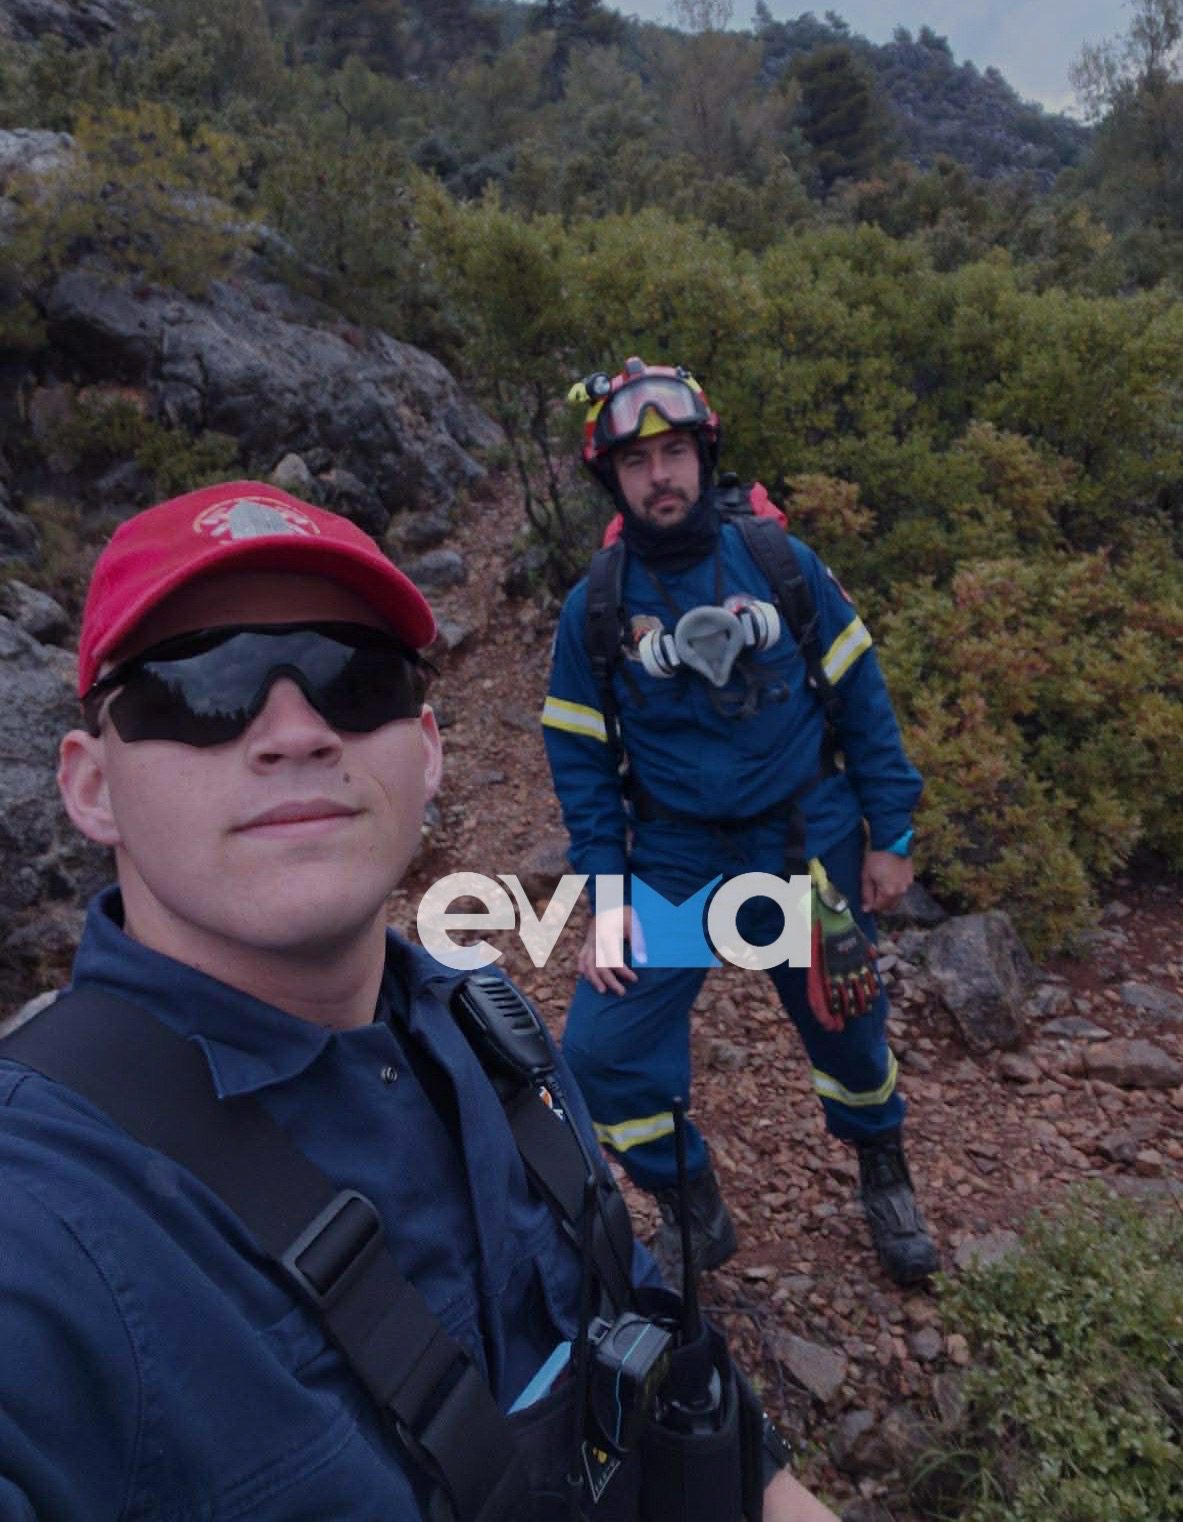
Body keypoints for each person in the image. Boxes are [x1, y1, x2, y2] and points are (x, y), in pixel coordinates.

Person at [0, 480, 840, 1522]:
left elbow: (639, 1329)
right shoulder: (41, 1221)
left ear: (428, 749)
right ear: (90, 787)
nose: (296, 732)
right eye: (199, 686)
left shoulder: (493, 1032)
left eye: (354, 679)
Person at [541, 359, 938, 1287]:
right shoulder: (595, 609)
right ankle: (691, 1202)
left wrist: (891, 835)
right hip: (675, 857)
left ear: (703, 455)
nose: (659, 477)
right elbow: (581, 766)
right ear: (612, 479)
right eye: (635, 462)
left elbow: (863, 699)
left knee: (849, 1031)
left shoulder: (778, 563)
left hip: (805, 848)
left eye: (674, 453)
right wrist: (606, 898)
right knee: (600, 1053)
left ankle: (881, 1165)